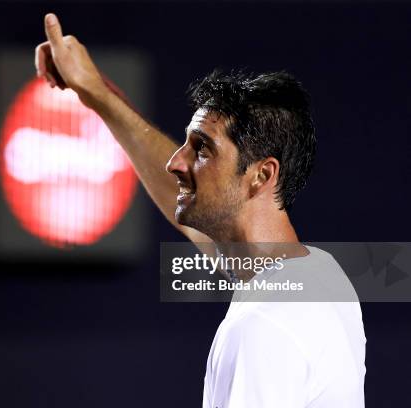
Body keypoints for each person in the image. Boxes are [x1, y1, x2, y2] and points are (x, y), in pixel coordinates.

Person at [34, 13, 366, 407]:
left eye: (202, 149)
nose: (175, 162)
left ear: (261, 176)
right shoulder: (318, 275)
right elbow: (204, 225)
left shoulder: (264, 327)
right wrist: (97, 96)